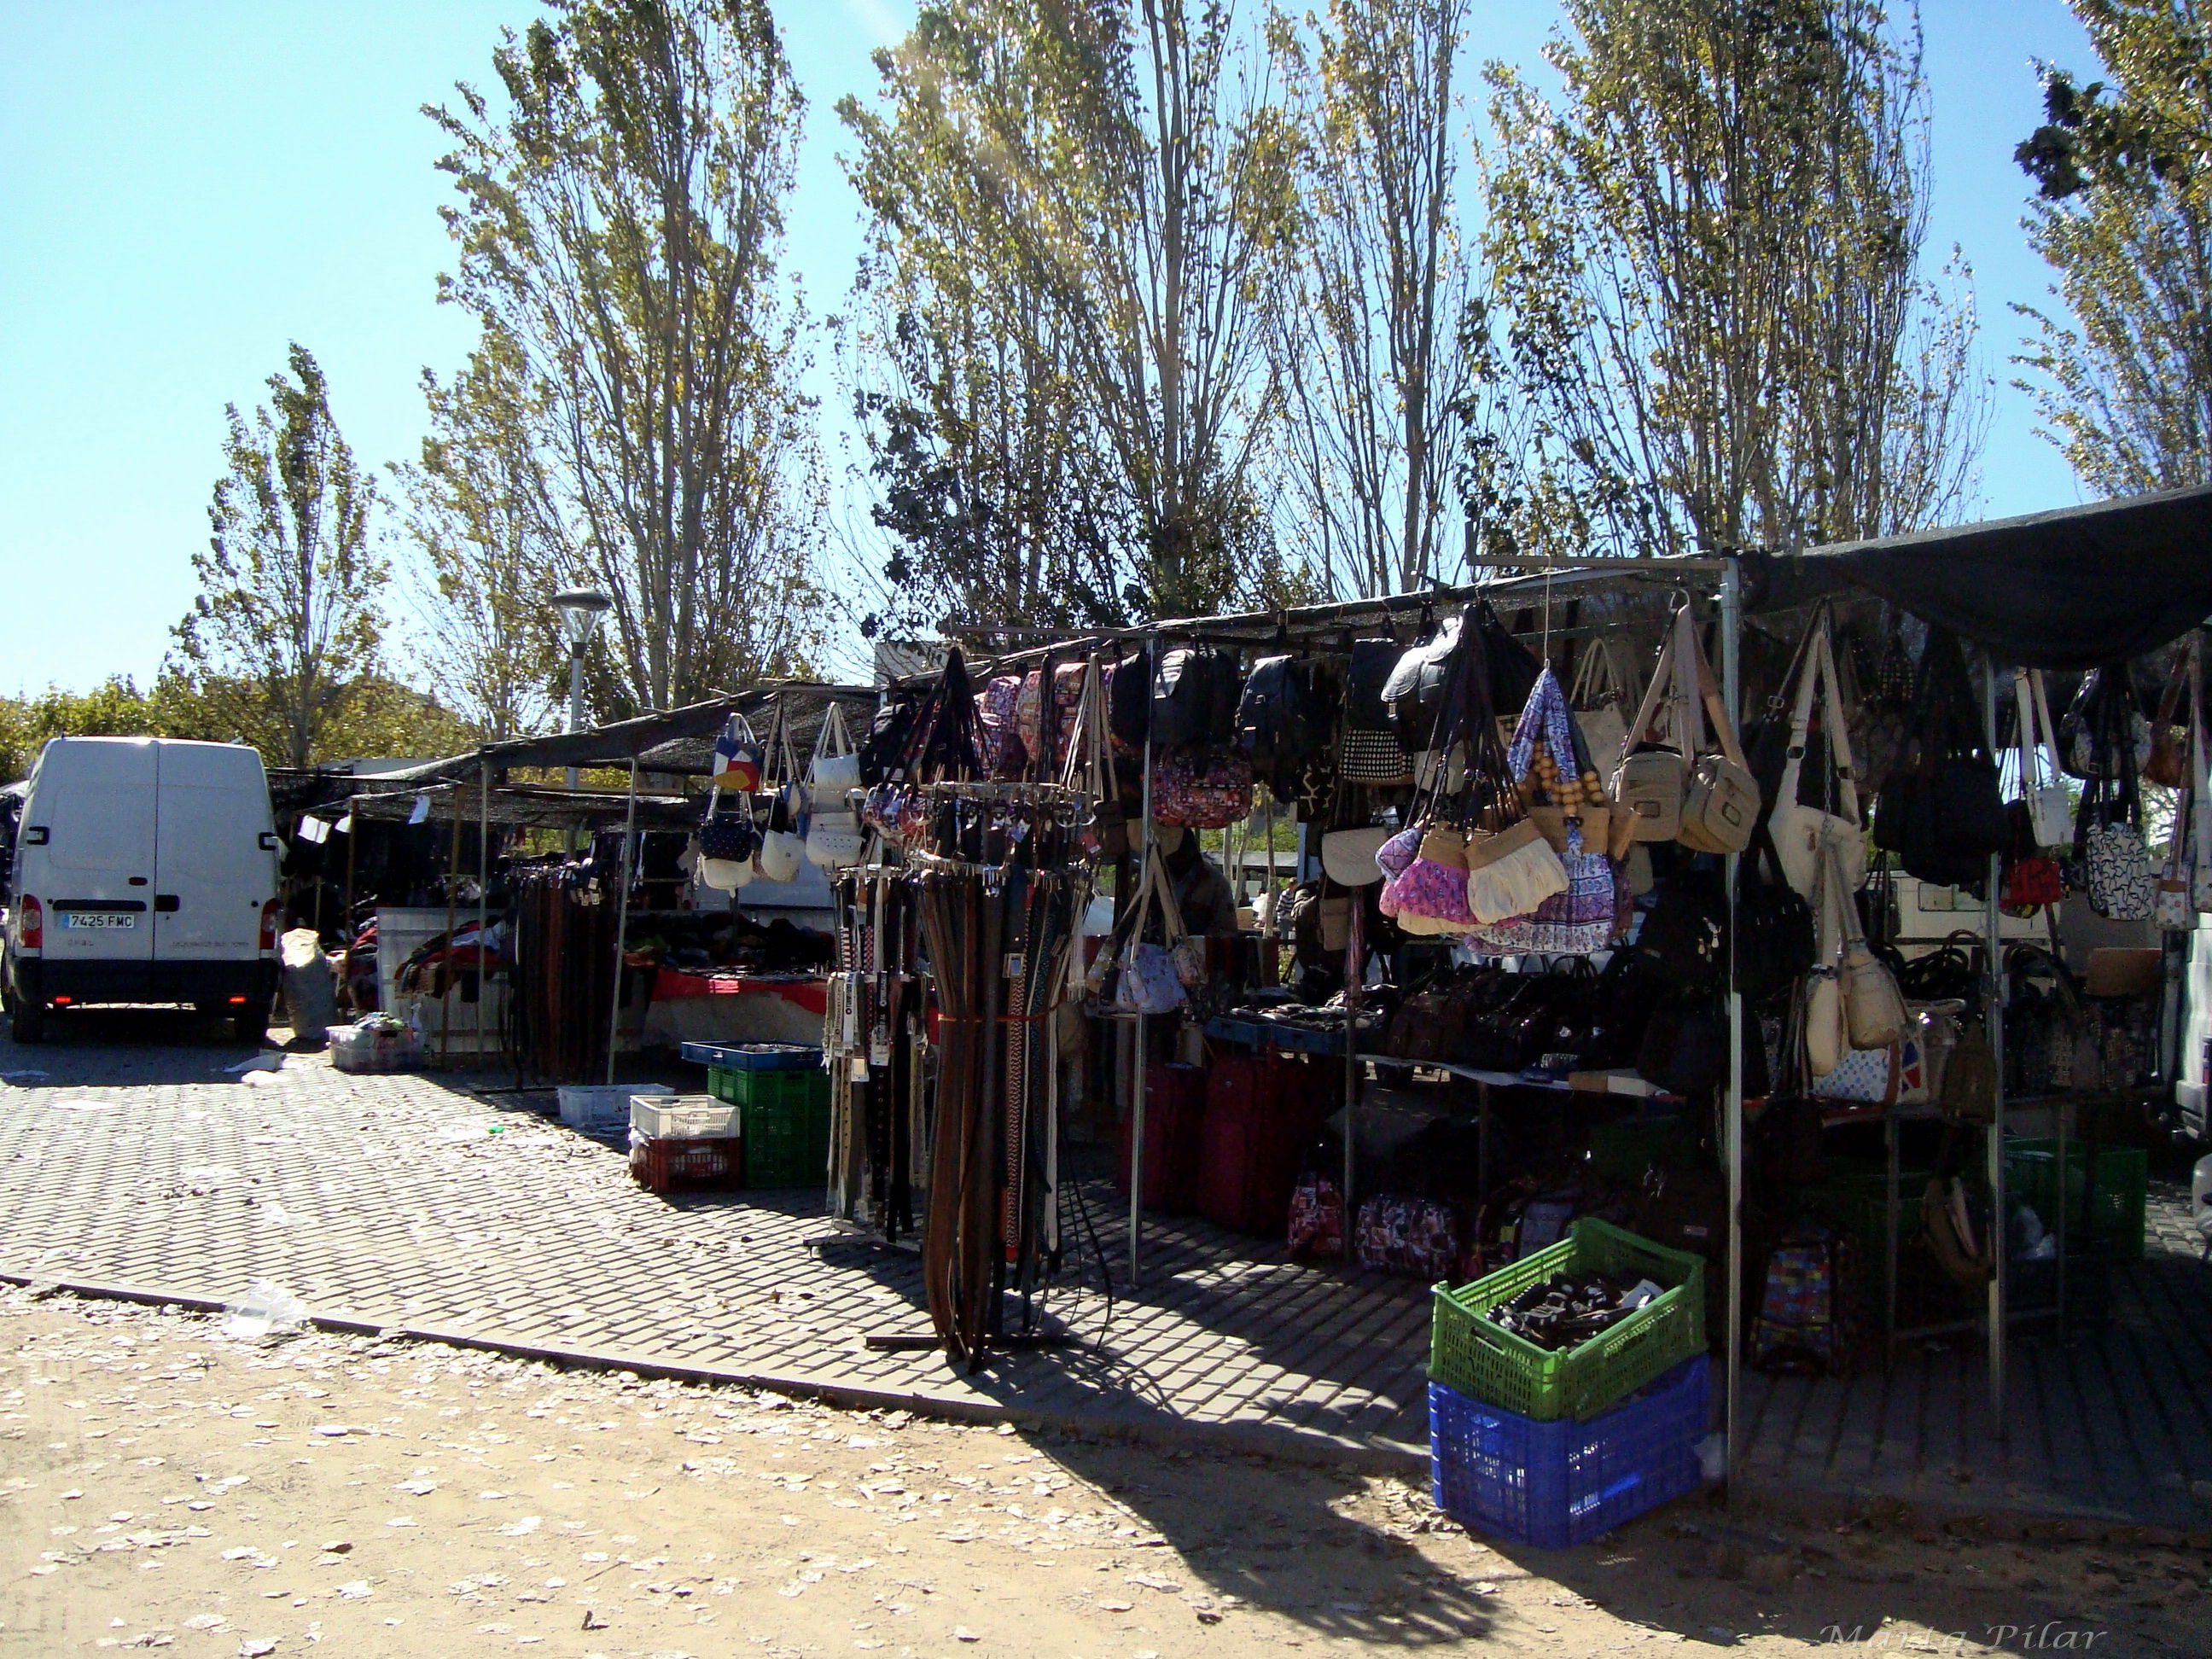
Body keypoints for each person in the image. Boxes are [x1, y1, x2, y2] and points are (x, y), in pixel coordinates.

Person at [1161, 826, 1239, 939]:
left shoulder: (1214, 882)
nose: (1175, 856)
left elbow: (1227, 929)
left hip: (1199, 950)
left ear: (1191, 849)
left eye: (1179, 850)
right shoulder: (1156, 875)